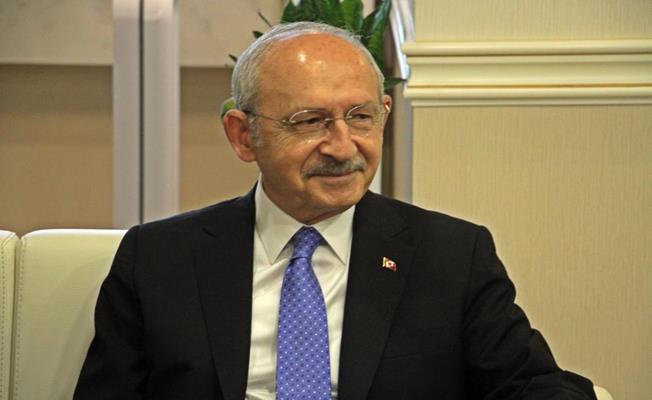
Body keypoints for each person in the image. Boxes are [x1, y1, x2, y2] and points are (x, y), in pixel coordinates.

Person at [74, 22, 597, 399]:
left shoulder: (452, 257)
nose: (343, 146)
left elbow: (531, 385)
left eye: (361, 117)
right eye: (309, 121)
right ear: (243, 136)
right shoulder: (159, 259)